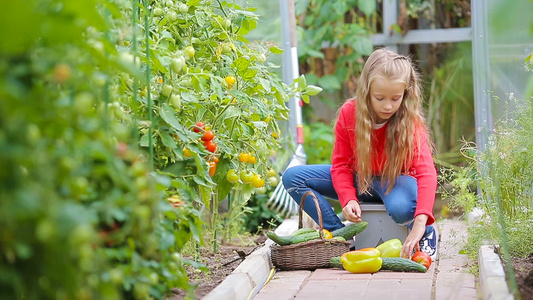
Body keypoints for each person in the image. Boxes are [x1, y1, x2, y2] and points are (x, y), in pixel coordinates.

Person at [282, 48, 438, 261]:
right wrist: (347, 199)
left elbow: (426, 172)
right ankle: (341, 238)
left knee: (402, 208)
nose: (388, 105)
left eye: (396, 98)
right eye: (380, 97)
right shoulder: (349, 113)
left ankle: (428, 233)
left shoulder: (409, 120)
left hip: (395, 182)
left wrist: (421, 222)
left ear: (406, 93)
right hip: (359, 179)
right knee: (293, 178)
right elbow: (341, 165)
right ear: (366, 91)